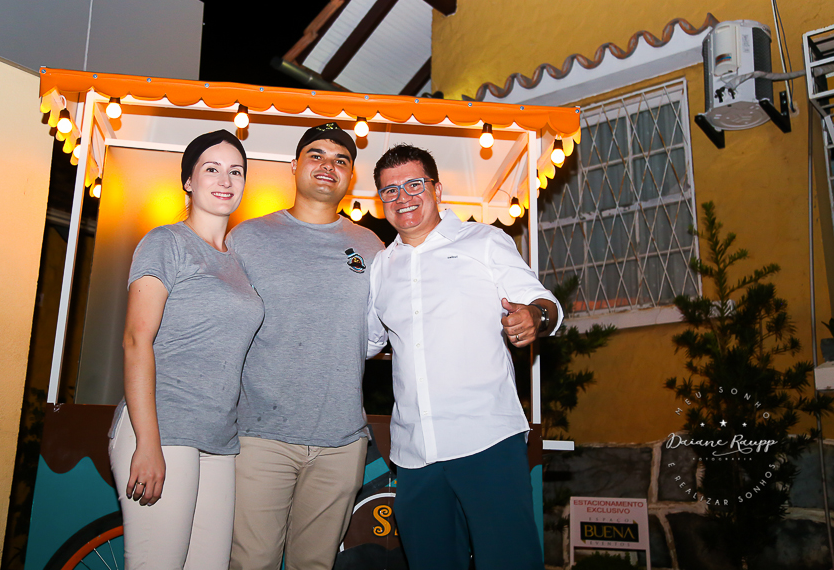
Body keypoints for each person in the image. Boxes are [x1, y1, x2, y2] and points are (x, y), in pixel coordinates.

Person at [367, 144, 562, 570]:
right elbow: (366, 342)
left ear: (437, 189)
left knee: (510, 563)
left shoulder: (485, 241)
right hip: (415, 453)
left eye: (414, 184)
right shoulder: (381, 266)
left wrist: (535, 317)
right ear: (381, 202)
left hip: (487, 440)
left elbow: (544, 303)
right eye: (390, 190)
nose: (403, 197)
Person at [226, 122, 384, 570]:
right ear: (294, 166)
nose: (327, 165)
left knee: (314, 566)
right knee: (251, 563)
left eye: (340, 160)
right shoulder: (247, 238)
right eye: (316, 155)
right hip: (260, 436)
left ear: (350, 175)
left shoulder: (371, 246)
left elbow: (376, 334)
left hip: (341, 440)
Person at [108, 130, 264, 570]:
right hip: (163, 427)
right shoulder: (166, 242)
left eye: (236, 171)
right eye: (211, 169)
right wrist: (148, 443)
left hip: (219, 439)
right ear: (189, 181)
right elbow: (136, 340)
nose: (225, 180)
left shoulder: (237, 263)